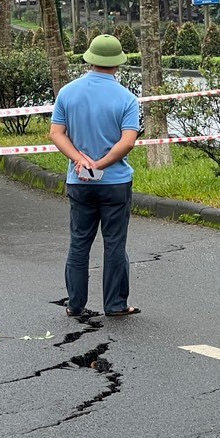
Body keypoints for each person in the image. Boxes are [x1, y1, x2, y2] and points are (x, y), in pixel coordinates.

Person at [49, 34, 142, 318]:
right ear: (117, 65)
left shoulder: (67, 92)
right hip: (115, 182)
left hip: (79, 182)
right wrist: (101, 164)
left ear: (89, 59)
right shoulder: (127, 98)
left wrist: (81, 161)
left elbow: (56, 133)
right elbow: (127, 141)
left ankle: (75, 305)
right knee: (114, 244)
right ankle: (115, 304)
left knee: (79, 242)